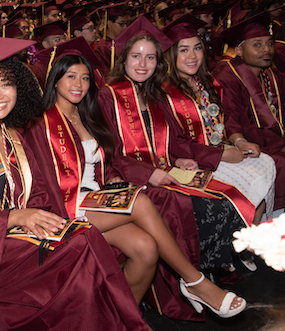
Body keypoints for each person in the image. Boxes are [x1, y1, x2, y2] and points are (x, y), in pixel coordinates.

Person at [0, 36, 148, 330]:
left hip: (19, 237)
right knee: (81, 248)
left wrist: (36, 219)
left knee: (84, 239)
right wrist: (14, 216)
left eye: (7, 84)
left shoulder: (13, 137)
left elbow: (37, 193)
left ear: (19, 89)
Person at [24, 52, 247, 318]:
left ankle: (121, 320)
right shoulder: (41, 123)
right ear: (55, 81)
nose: (78, 84)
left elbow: (97, 165)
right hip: (67, 208)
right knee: (141, 201)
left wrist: (112, 178)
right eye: (70, 76)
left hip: (94, 200)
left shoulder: (87, 116)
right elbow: (43, 178)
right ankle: (195, 281)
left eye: (85, 78)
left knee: (146, 248)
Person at [99, 16, 249, 295]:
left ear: (159, 62)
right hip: (132, 181)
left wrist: (179, 159)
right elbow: (110, 153)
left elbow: (176, 139)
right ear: (124, 59)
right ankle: (189, 285)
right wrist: (148, 173)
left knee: (225, 200)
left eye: (151, 57)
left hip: (165, 170)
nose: (143, 64)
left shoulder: (154, 94)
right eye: (136, 56)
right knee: (191, 206)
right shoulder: (108, 96)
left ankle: (204, 276)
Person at [163, 14, 276, 225]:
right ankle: (243, 243)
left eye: (197, 48)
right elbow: (175, 144)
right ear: (171, 54)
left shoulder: (208, 82)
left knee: (265, 162)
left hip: (221, 151)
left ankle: (251, 240)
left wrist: (239, 141)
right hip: (195, 161)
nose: (192, 56)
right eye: (184, 50)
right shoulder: (164, 93)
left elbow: (229, 117)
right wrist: (221, 155)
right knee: (246, 188)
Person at [213, 13, 285, 212]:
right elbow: (230, 118)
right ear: (239, 50)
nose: (266, 50)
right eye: (257, 44)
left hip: (272, 140)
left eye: (269, 43)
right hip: (244, 143)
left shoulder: (271, 74)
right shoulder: (226, 76)